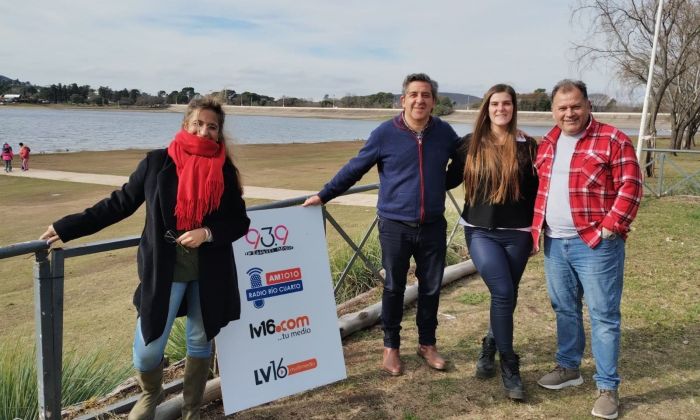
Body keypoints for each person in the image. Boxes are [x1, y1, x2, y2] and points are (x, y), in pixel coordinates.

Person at [39, 97, 250, 420]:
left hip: (211, 269)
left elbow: (239, 221)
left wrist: (207, 233)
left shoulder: (224, 170)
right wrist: (66, 227)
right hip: (164, 270)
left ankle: (193, 409)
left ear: (219, 133)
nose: (204, 131)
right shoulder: (157, 163)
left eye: (212, 126)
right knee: (148, 348)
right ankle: (152, 391)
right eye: (198, 124)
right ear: (185, 125)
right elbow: (119, 203)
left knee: (199, 339)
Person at [303, 73, 463, 376]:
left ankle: (427, 344)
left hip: (432, 225)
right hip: (394, 225)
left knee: (430, 289)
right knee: (393, 287)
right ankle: (391, 347)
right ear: (403, 100)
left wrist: (444, 182)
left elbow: (465, 159)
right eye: (414, 94)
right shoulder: (384, 134)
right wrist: (324, 195)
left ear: (433, 101)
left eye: (426, 95)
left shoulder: (444, 132)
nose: (420, 100)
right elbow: (355, 168)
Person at [531, 80, 642, 419]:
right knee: (564, 308)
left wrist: (610, 227)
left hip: (595, 244)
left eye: (575, 106)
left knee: (604, 316)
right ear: (553, 110)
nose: (569, 113)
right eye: (562, 108)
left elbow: (632, 186)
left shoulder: (611, 138)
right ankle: (568, 368)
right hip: (555, 240)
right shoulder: (548, 142)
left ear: (588, 105)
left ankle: (607, 387)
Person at [449, 84, 538, 400]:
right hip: (481, 232)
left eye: (507, 104)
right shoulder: (469, 146)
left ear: (514, 108)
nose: (501, 109)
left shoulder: (528, 145)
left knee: (508, 295)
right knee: (502, 292)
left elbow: (540, 190)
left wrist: (538, 229)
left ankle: (489, 344)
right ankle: (509, 365)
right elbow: (446, 178)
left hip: (519, 234)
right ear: (486, 108)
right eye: (495, 104)